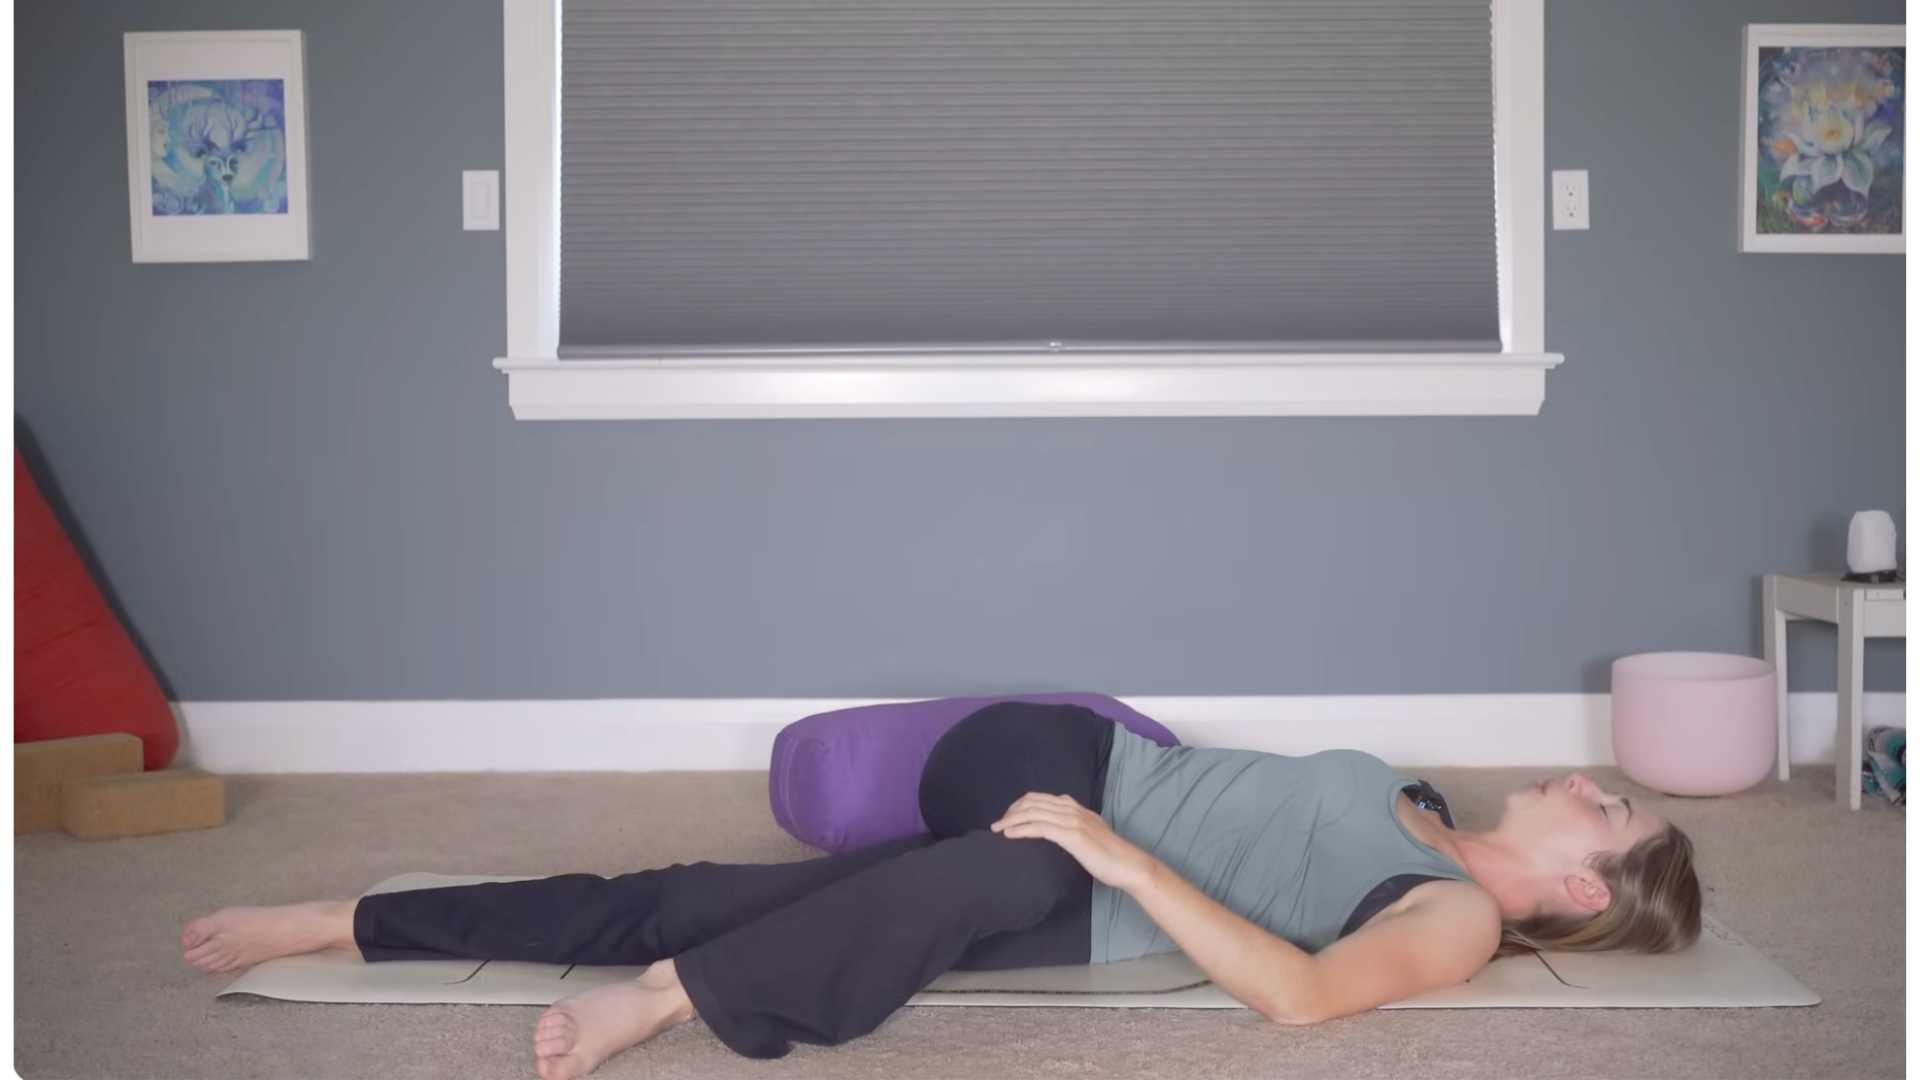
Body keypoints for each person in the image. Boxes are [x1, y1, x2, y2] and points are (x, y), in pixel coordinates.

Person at [182, 702, 1702, 1080]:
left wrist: (1121, 858)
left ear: (1583, 885)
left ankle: (355, 922)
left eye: (1610, 808)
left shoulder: (1456, 918)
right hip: (1049, 759)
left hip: (1060, 870)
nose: (1588, 776)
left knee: (697, 894)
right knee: (984, 858)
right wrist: (1106, 819)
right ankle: (677, 1002)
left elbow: (1300, 999)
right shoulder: (1422, 806)